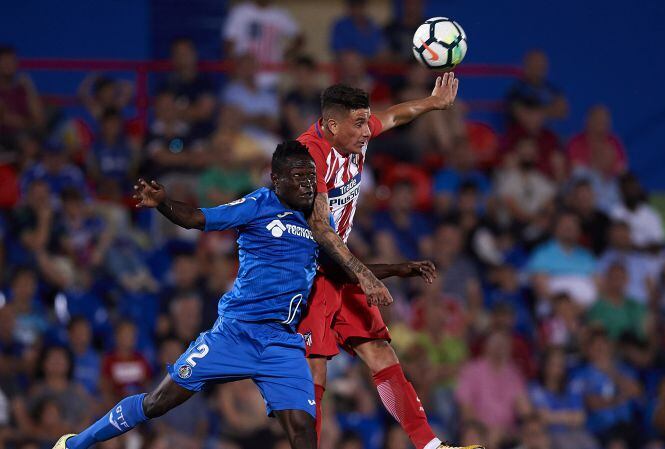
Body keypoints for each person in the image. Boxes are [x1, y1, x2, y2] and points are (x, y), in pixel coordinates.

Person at [53, 141, 324, 449]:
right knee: (156, 403)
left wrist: (390, 269)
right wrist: (164, 203)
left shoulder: (318, 222)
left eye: (311, 176)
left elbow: (344, 266)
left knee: (303, 430)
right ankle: (73, 444)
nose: (307, 183)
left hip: (281, 343)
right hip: (235, 334)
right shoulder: (259, 204)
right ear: (276, 180)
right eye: (299, 175)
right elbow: (197, 218)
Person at [295, 76, 482, 449]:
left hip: (338, 267)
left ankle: (430, 445)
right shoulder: (307, 156)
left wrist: (432, 102)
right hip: (302, 273)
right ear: (332, 125)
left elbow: (395, 116)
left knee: (380, 349)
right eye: (360, 124)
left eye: (367, 122)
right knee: (315, 365)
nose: (368, 131)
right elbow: (318, 228)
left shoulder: (354, 135)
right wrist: (365, 275)